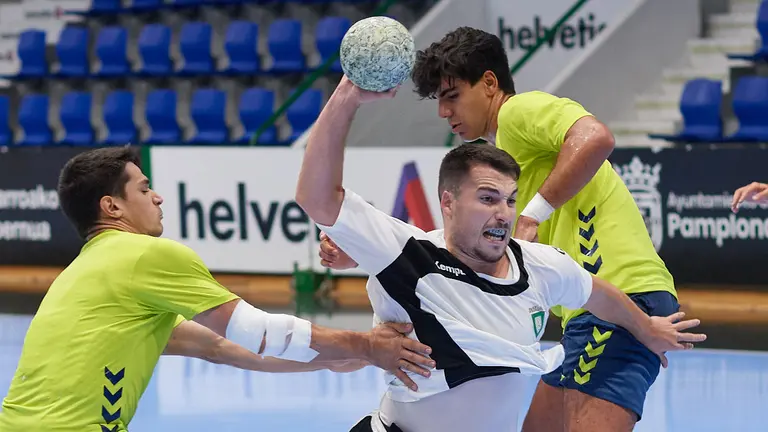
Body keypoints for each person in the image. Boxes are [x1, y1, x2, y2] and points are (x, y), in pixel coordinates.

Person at [318, 26, 687, 432]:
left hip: (620, 300)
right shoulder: (500, 162)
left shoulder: (517, 111)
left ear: (489, 83)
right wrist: (361, 250)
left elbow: (595, 137)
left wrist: (532, 216)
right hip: (585, 316)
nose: (443, 112)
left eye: (452, 95)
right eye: (438, 101)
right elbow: (457, 244)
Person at [0, 147, 435, 432]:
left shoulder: (93, 274)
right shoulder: (142, 255)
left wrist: (340, 356)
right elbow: (256, 331)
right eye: (145, 188)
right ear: (112, 206)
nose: (158, 199)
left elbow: (220, 347)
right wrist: (365, 344)